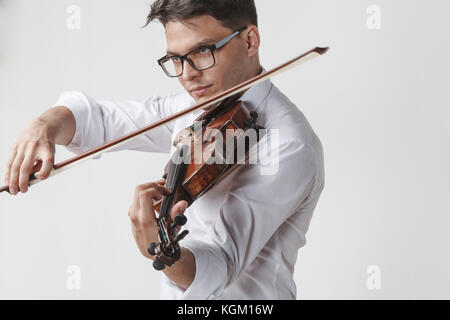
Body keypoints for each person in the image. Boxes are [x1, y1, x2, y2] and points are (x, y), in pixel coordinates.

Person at [3, 0, 325, 300]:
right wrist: (42, 125)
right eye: (176, 59)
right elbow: (98, 120)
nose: (187, 75)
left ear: (250, 41)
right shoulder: (195, 109)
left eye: (202, 52)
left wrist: (161, 251)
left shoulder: (288, 143)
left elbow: (222, 263)